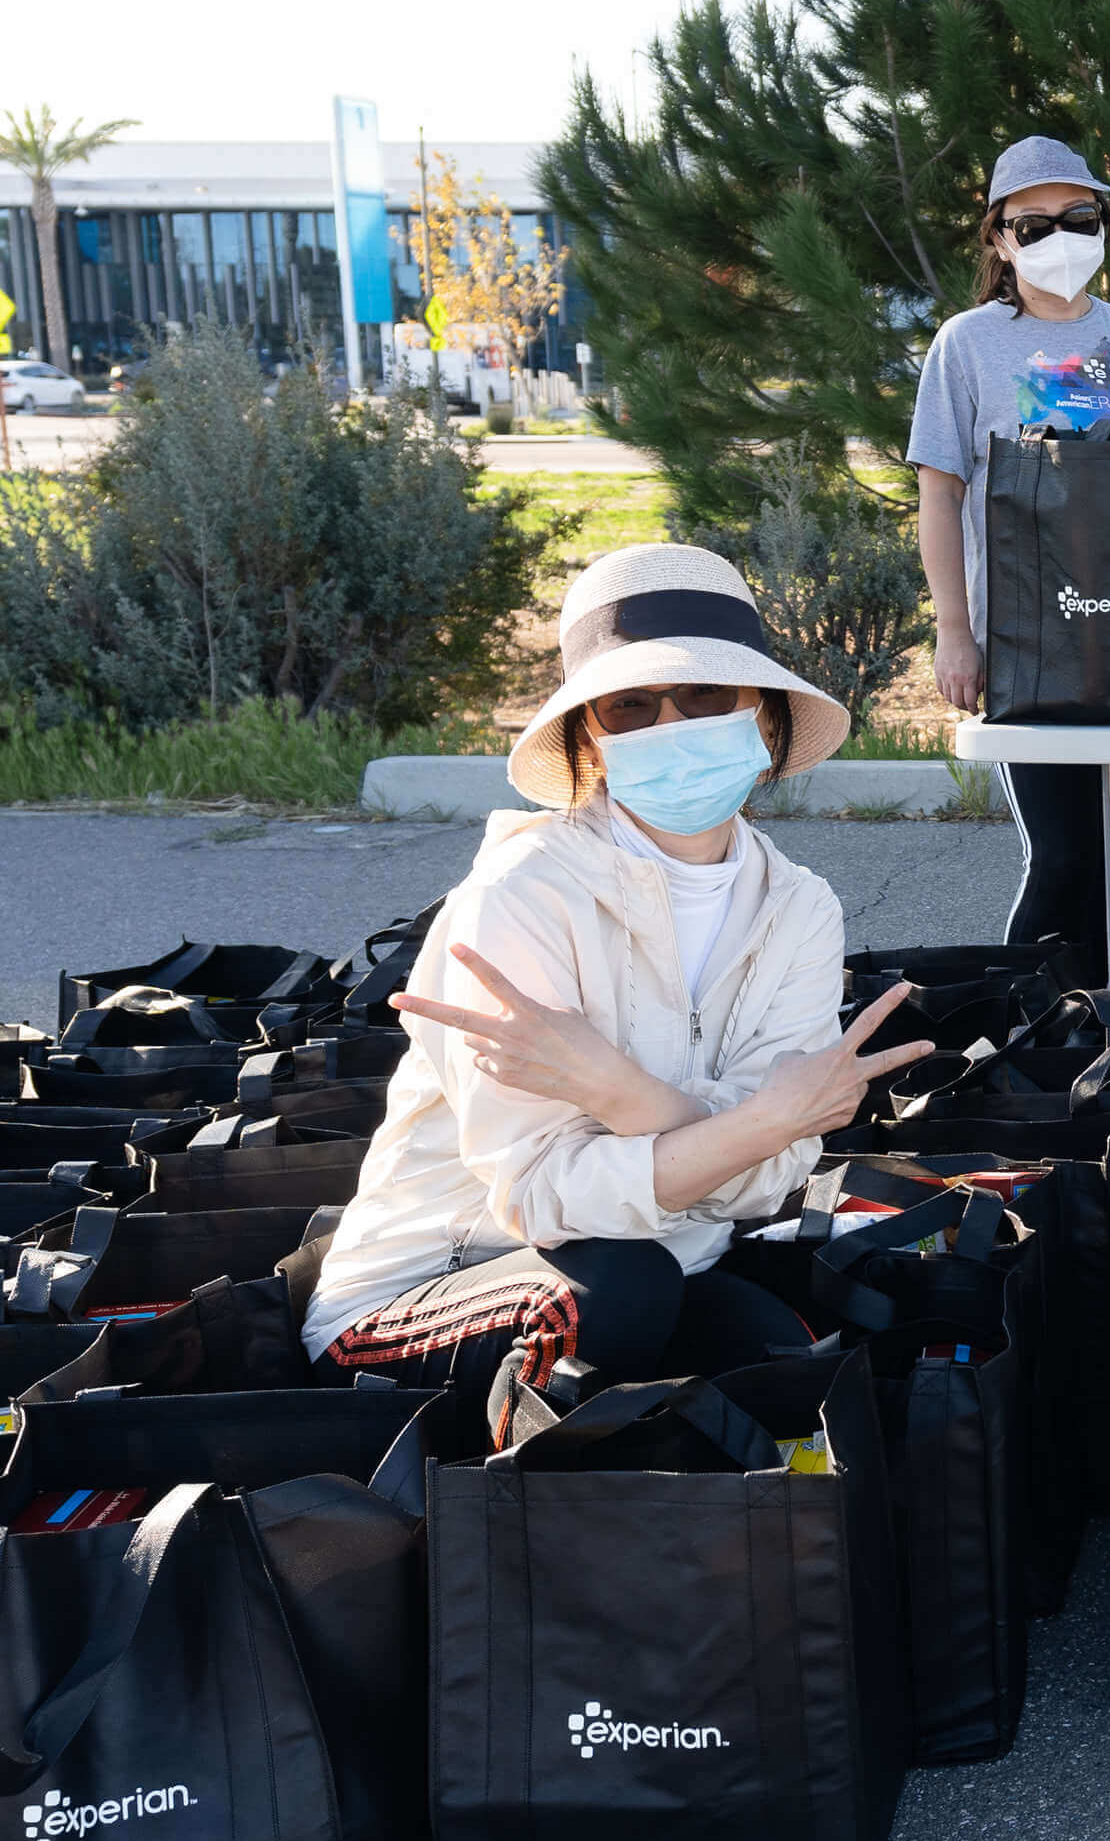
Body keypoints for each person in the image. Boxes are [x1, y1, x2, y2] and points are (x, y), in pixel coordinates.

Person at [303, 543, 935, 1400]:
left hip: (670, 1258)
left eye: (707, 694)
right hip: (425, 1291)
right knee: (620, 1300)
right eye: (632, 705)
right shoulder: (519, 899)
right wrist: (757, 1123)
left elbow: (770, 1183)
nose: (673, 724)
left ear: (765, 713)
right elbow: (541, 1199)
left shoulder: (798, 906)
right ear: (590, 739)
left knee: (784, 1354)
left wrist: (616, 1091)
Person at [908, 134, 1110, 983]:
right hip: (1027, 642)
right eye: (1030, 224)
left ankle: (1097, 1036)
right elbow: (941, 494)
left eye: (1078, 217)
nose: (1058, 236)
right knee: (1066, 853)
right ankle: (1023, 1038)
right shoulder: (965, 344)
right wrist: (954, 633)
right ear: (998, 241)